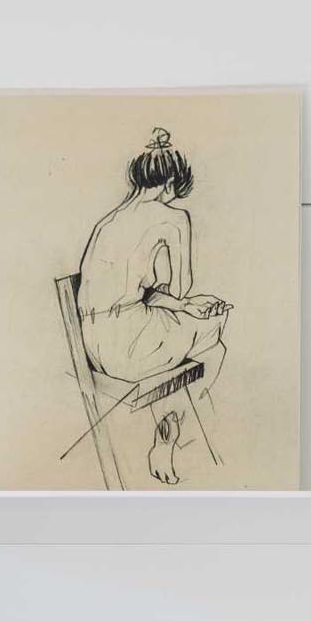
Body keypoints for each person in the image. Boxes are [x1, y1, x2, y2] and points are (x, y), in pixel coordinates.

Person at [77, 130, 231, 483]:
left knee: (188, 334)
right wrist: (187, 302)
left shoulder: (109, 221)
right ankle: (172, 433)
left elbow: (134, 295)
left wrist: (183, 306)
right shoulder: (174, 218)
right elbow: (181, 286)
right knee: (215, 337)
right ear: (171, 183)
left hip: (96, 346)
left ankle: (170, 424)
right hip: (132, 349)